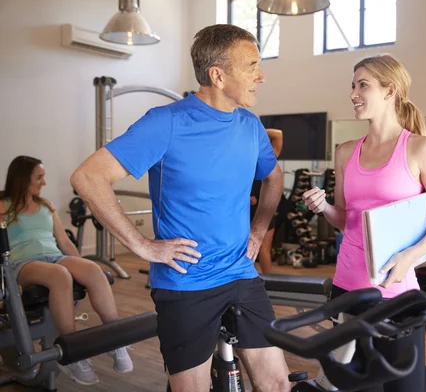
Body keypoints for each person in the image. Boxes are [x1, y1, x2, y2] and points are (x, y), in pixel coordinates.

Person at [70, 25, 291, 392]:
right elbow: (88, 177)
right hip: (186, 283)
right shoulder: (166, 122)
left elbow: (274, 178)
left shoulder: (251, 126)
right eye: (252, 65)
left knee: (278, 384)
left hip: (240, 274)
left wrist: (258, 228)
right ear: (218, 75)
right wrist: (141, 246)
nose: (261, 75)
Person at [302, 54, 426, 392]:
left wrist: (411, 255)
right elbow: (345, 220)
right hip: (347, 293)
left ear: (390, 91)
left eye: (363, 85)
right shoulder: (345, 152)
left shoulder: (419, 148)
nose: (353, 93)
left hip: (398, 295)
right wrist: (324, 207)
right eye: (352, 85)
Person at [0, 156, 132, 386]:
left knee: (92, 269)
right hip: (23, 264)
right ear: (23, 179)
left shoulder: (45, 206)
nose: (44, 183)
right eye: (39, 177)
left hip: (54, 257)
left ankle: (116, 342)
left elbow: (64, 242)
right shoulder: (3, 206)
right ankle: (73, 355)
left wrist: (82, 267)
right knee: (59, 275)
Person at [250, 128, 283, 274]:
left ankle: (269, 283)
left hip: (264, 208)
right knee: (252, 247)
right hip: (247, 208)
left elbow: (278, 134)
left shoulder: (269, 157)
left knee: (263, 248)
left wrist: (251, 127)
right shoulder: (244, 157)